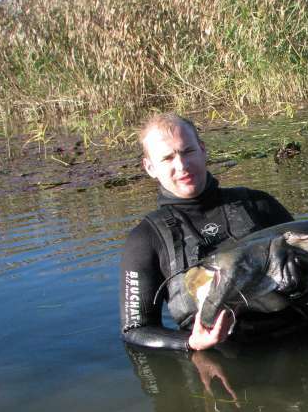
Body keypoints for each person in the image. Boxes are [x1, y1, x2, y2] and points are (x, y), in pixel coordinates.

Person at [119, 112, 295, 354]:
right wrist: (189, 343)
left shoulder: (259, 204)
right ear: (150, 167)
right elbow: (135, 330)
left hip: (301, 337)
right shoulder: (145, 239)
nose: (181, 165)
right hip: (224, 364)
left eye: (188, 151)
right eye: (168, 158)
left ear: (203, 150)